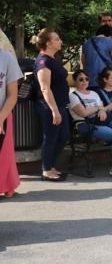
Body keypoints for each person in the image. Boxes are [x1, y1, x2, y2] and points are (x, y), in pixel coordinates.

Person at [69, 70, 112, 179]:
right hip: (87, 125)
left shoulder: (94, 94)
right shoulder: (73, 96)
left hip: (100, 121)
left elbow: (103, 108)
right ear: (75, 81)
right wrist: (98, 108)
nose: (84, 81)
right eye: (81, 79)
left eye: (87, 79)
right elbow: (83, 113)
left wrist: (101, 110)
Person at [34, 29, 70, 181]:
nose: (60, 41)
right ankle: (47, 170)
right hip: (49, 107)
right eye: (57, 38)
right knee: (51, 138)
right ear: (49, 43)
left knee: (63, 137)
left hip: (61, 105)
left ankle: (52, 166)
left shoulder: (53, 59)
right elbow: (45, 88)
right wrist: (54, 110)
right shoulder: (43, 62)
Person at [0, 47, 23, 197]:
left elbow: (12, 95)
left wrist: (0, 118)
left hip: (3, 114)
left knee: (4, 154)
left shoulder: (6, 58)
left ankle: (7, 185)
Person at [81, 24, 112, 90]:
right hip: (105, 80)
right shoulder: (109, 42)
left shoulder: (86, 43)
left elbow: (83, 61)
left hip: (89, 80)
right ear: (110, 35)